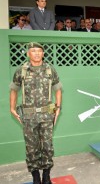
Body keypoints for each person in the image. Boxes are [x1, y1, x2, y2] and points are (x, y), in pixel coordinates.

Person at [9, 42, 62, 184]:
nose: (37, 53)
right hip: (28, 115)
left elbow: (58, 89)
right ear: (28, 53)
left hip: (47, 114)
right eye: (33, 51)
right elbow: (14, 89)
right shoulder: (21, 70)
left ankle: (46, 176)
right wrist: (12, 108)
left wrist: (57, 109)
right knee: (31, 148)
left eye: (39, 51)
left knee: (47, 146)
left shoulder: (50, 69)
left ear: (43, 53)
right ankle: (35, 177)